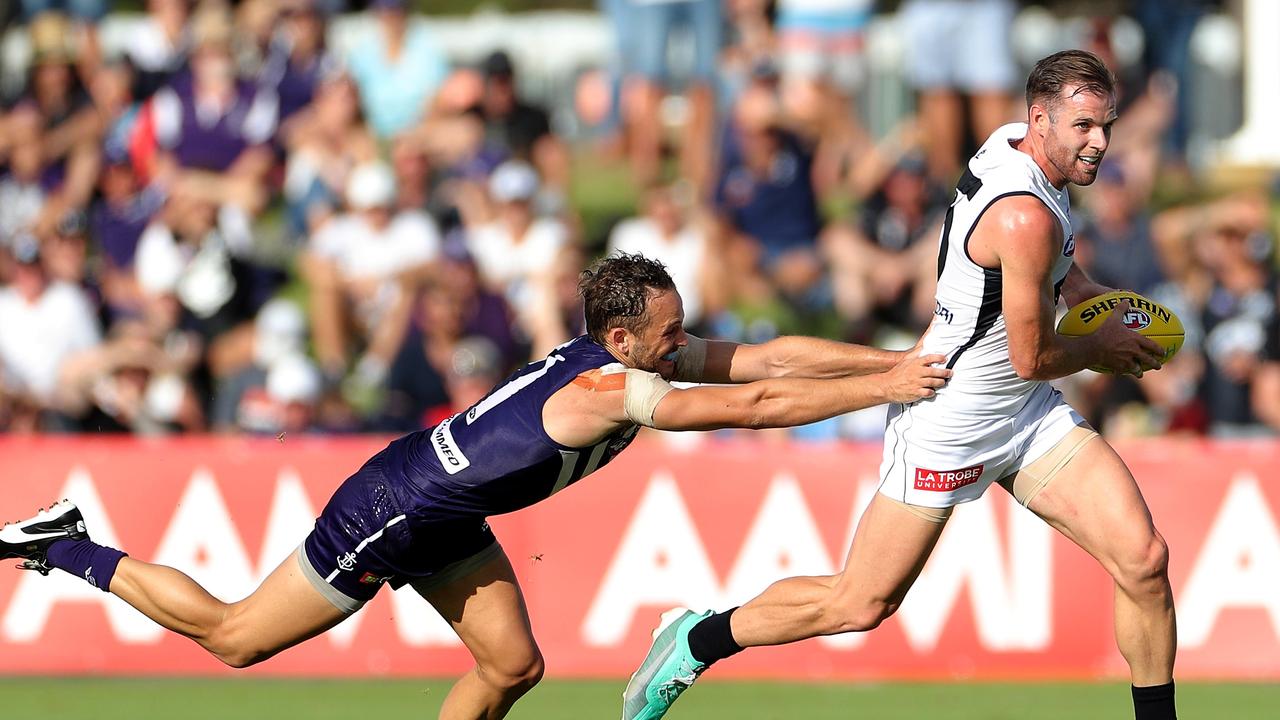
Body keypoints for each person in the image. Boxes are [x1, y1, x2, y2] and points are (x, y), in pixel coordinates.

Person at [0, 253, 949, 720]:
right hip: (391, 512)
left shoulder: (629, 357)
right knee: (236, 637)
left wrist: (898, 359)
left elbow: (767, 357)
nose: (684, 342)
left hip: (447, 507)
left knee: (513, 668)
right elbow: (748, 408)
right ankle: (64, 544)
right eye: (670, 334)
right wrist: (885, 390)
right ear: (621, 340)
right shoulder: (610, 389)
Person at [622, 50, 1179, 720]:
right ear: (1040, 118)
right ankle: (696, 638)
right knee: (860, 604)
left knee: (1143, 560)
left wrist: (1093, 295)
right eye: (1085, 126)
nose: (1101, 142)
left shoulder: (1013, 145)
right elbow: (1033, 354)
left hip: (1023, 416)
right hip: (950, 413)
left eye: (1107, 125)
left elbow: (1052, 273)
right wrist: (1102, 348)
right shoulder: (1022, 214)